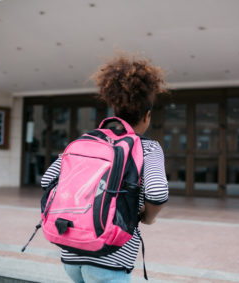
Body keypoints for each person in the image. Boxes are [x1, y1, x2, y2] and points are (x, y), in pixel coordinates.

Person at [41, 53, 169, 283]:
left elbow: (47, 179)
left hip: (71, 250)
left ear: (115, 110)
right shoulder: (147, 147)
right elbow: (157, 193)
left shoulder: (86, 140)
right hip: (111, 256)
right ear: (147, 116)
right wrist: (147, 218)